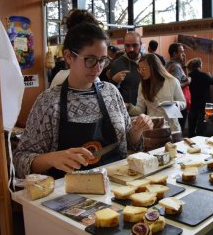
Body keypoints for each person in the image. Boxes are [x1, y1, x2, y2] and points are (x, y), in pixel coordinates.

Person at [13, 12, 153, 179]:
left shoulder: (111, 93)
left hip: (118, 187)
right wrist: (51, 158)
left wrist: (137, 130)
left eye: (102, 60)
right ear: (68, 56)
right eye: (90, 60)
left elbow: (129, 144)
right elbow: (20, 160)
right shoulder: (49, 102)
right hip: (69, 197)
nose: (97, 68)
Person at [128, 54, 186, 132]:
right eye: (139, 69)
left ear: (153, 68)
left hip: (172, 128)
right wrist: (128, 107)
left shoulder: (172, 81)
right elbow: (140, 109)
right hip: (153, 129)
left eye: (144, 69)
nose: (141, 72)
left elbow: (183, 103)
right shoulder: (142, 85)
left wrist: (175, 104)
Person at [109, 31, 143, 105]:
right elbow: (110, 93)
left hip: (148, 110)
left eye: (135, 45)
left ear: (140, 44)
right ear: (124, 46)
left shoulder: (148, 61)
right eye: (127, 46)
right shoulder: (117, 64)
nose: (131, 49)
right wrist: (114, 81)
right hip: (127, 111)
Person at [186, 57, 213, 138]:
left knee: (191, 127)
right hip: (207, 104)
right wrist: (210, 75)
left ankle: (190, 142)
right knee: (202, 127)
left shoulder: (189, 76)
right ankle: (200, 140)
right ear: (200, 65)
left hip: (193, 103)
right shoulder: (204, 75)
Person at [166, 43, 191, 132]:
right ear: (174, 53)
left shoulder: (171, 64)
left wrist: (184, 65)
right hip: (177, 104)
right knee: (177, 131)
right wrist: (187, 82)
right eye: (181, 52)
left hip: (173, 104)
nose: (183, 54)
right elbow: (175, 86)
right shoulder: (175, 67)